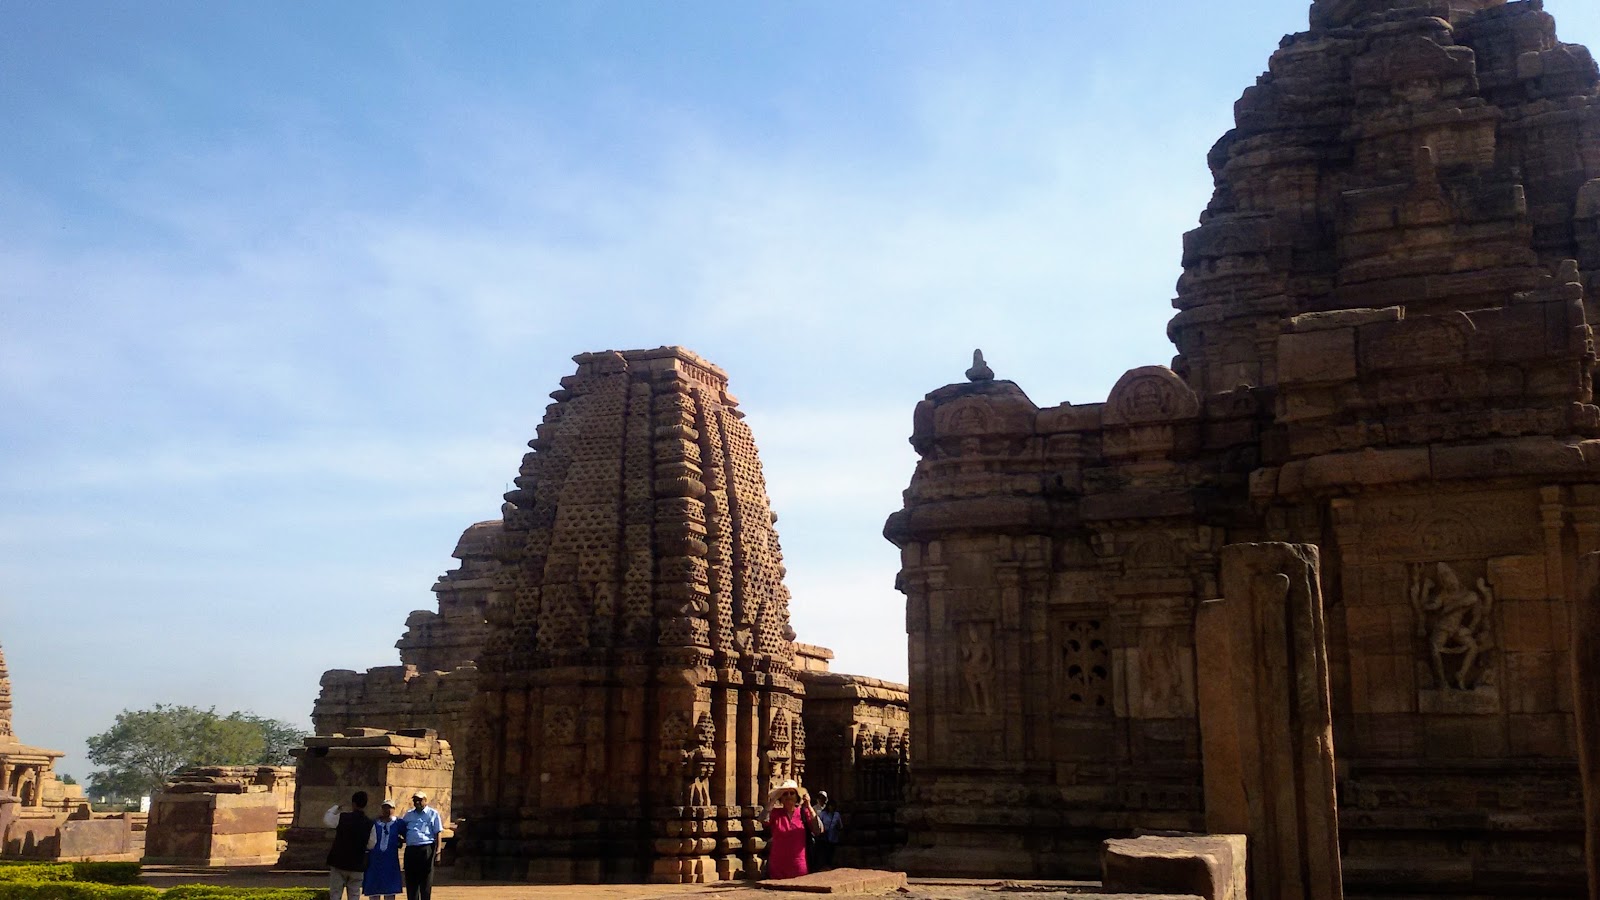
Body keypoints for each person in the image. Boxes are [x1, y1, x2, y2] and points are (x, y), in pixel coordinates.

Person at [764, 779, 821, 880]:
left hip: (799, 864)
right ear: (781, 798)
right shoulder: (776, 813)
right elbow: (762, 819)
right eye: (785, 794)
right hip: (778, 866)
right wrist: (773, 800)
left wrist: (809, 806)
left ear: (797, 797)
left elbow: (818, 829)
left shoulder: (803, 813)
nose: (789, 796)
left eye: (792, 793)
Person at [324, 791, 371, 900]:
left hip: (339, 861)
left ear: (353, 804)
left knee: (335, 893)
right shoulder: (369, 823)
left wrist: (336, 807)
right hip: (357, 863)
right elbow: (371, 844)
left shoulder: (342, 817)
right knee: (354, 894)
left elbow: (327, 820)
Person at [401, 791, 443, 900]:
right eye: (415, 800)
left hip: (426, 848)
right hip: (411, 849)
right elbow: (403, 829)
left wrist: (438, 852)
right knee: (411, 881)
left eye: (419, 800)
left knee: (425, 881)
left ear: (425, 800)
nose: (417, 802)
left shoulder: (432, 813)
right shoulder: (409, 814)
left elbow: (438, 833)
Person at [363, 798, 405, 900]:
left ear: (394, 809)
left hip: (390, 861)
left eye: (389, 808)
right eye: (385, 807)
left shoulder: (398, 823)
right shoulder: (374, 823)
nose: (387, 810)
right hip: (375, 861)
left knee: (390, 889)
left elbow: (407, 835)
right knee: (374, 888)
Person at [809, 790, 842, 871]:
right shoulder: (817, 810)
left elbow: (840, 825)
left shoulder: (836, 814)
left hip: (833, 835)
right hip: (822, 835)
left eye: (823, 798)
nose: (822, 799)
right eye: (820, 798)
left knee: (831, 851)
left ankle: (829, 865)